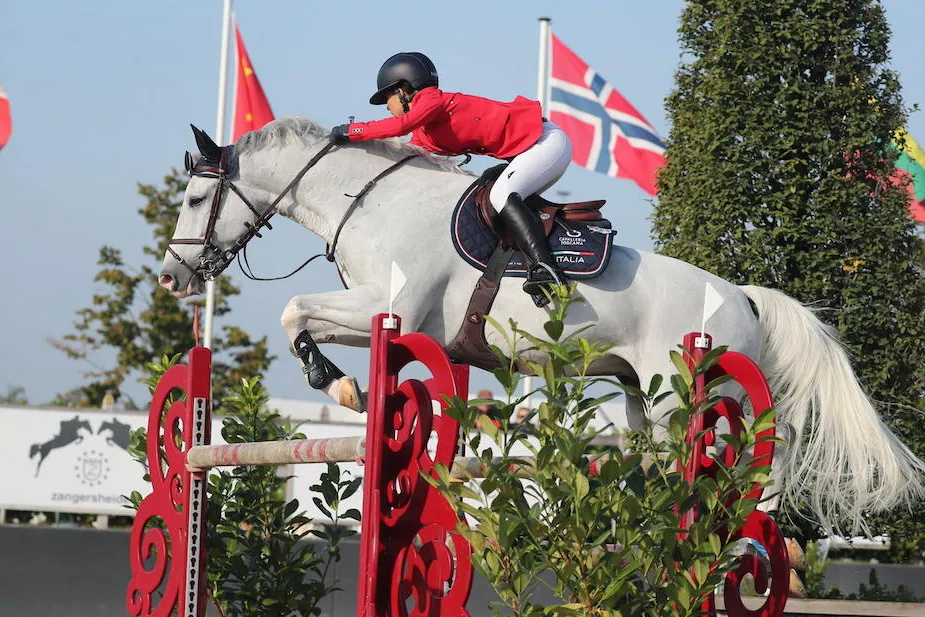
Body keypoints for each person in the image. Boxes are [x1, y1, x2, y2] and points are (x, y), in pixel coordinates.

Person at [329, 52, 573, 304]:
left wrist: (353, 131)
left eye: (387, 98)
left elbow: (400, 127)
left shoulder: (432, 100)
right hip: (530, 151)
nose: (387, 108)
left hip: (545, 142)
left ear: (403, 89)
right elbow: (405, 158)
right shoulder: (426, 133)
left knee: (501, 194)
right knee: (489, 194)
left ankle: (547, 269)